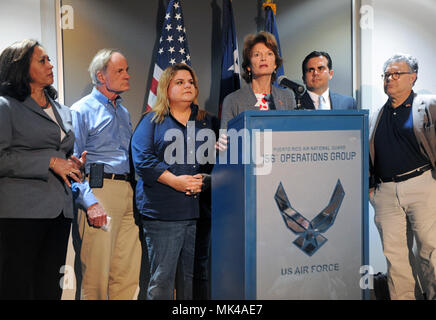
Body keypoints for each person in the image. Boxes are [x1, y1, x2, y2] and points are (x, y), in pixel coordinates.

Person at [0, 39, 85, 299]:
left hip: (59, 211)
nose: (50, 65)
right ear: (22, 68)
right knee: (18, 288)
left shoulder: (63, 110)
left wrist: (73, 164)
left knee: (49, 287)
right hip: (21, 213)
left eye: (50, 59)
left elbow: (63, 153)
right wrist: (49, 162)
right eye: (42, 60)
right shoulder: (5, 106)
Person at [131, 63, 217, 300]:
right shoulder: (152, 121)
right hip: (163, 214)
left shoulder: (207, 122)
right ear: (166, 88)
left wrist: (209, 179)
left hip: (200, 214)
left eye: (191, 82)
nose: (187, 86)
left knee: (195, 279)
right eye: (180, 82)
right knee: (162, 280)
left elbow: (224, 162)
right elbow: (143, 160)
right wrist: (176, 182)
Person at [71, 49, 141, 300]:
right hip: (100, 192)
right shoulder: (81, 110)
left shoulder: (123, 112)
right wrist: (89, 202)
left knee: (126, 272)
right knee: (96, 277)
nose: (127, 75)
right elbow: (73, 166)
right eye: (119, 71)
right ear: (101, 76)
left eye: (127, 70)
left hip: (127, 192)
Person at [369, 53, 436, 300]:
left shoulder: (429, 105)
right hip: (385, 192)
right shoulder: (377, 114)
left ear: (413, 77)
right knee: (395, 257)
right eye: (386, 74)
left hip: (422, 185)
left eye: (397, 74)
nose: (390, 79)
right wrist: (371, 190)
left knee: (430, 251)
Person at [220, 31, 296, 129]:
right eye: (257, 55)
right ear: (248, 66)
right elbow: (225, 139)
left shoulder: (287, 97)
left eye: (269, 54)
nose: (263, 58)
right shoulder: (232, 100)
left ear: (275, 64)